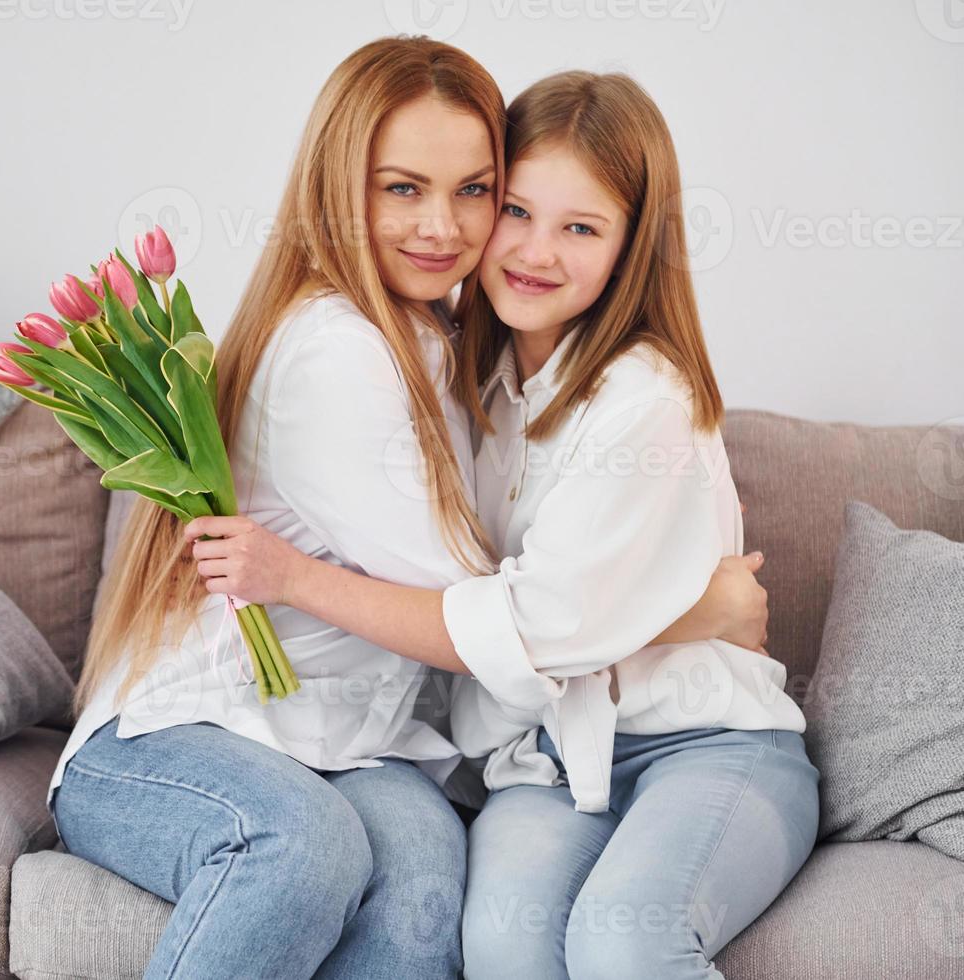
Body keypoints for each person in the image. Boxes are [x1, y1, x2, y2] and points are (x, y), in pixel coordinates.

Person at [184, 70, 816, 979]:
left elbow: (533, 625)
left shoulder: (645, 401)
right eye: (515, 210)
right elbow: (484, 604)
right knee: (502, 948)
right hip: (544, 761)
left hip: (707, 743)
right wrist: (696, 609)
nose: (535, 250)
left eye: (582, 228)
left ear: (632, 249)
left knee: (622, 940)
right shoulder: (467, 391)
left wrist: (294, 576)